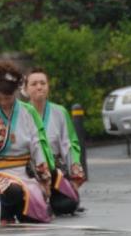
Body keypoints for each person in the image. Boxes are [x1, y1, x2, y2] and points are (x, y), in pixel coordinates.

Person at [0, 62, 55, 224]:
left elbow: (37, 146)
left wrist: (45, 179)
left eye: (8, 97)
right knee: (13, 191)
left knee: (34, 218)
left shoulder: (28, 112)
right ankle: (8, 212)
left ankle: (14, 213)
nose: (3, 102)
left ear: (15, 93)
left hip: (25, 172)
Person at [24, 68, 85, 216]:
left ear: (48, 86)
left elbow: (69, 144)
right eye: (34, 84)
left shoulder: (60, 112)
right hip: (29, 170)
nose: (39, 87)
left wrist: (75, 176)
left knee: (68, 205)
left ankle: (53, 199)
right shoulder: (20, 113)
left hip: (55, 169)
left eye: (43, 83)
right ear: (25, 89)